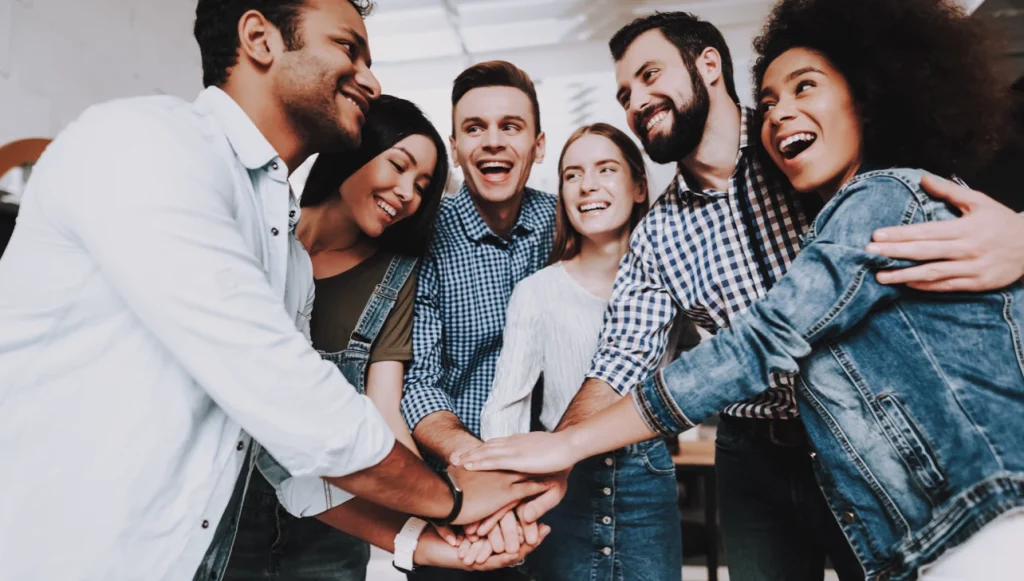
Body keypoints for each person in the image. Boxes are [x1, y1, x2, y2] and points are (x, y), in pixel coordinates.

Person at [455, 1, 1024, 580]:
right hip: (756, 451)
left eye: (649, 75)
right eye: (624, 93)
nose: (636, 101)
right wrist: (560, 453)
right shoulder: (661, 230)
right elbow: (622, 357)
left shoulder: (825, 154)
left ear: (708, 65)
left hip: (873, 433)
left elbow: (949, 245)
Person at [0, 1, 550, 579]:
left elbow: (285, 461)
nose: (371, 77)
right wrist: (456, 501)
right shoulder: (149, 143)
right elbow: (292, 399)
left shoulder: (284, 253)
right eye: (347, 48)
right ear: (260, 38)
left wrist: (423, 539)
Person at [223, 94, 451, 580]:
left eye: (422, 185)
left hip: (332, 532)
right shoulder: (263, 240)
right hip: (227, 511)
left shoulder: (395, 276)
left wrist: (437, 513)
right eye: (399, 165)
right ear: (355, 150)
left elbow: (384, 412)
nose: (407, 191)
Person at [478, 123, 686, 581]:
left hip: (646, 477)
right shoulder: (537, 291)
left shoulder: (673, 283)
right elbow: (506, 405)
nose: (587, 184)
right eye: (572, 175)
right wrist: (505, 494)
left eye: (605, 169)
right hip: (559, 483)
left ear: (637, 187)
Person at [399, 60, 556, 580]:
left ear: (538, 144)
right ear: (455, 147)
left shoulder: (569, 225)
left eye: (510, 126)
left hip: (567, 487)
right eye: (474, 128)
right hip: (458, 489)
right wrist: (477, 464)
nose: (492, 141)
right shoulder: (422, 233)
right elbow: (417, 379)